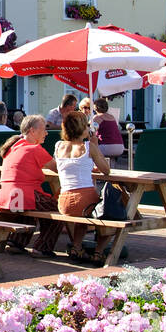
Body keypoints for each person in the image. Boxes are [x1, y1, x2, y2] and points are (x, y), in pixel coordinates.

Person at [0, 114, 63, 258]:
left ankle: (16, 242)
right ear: (32, 131)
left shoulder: (13, 146)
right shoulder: (34, 149)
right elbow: (59, 169)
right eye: (44, 129)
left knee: (30, 208)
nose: (46, 133)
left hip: (5, 197)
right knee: (59, 210)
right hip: (22, 196)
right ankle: (42, 247)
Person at [56, 110, 111, 264]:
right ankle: (99, 252)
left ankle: (77, 246)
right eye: (86, 126)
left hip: (64, 201)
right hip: (84, 199)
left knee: (82, 216)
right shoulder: (88, 147)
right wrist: (95, 146)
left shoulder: (58, 145)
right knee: (111, 213)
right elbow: (106, 170)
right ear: (81, 128)